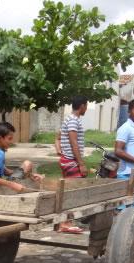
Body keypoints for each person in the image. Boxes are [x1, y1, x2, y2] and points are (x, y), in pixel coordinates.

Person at [0, 122, 43, 191]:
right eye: (9, 139)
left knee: (26, 166)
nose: (11, 142)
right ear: (0, 138)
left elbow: (5, 171)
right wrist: (12, 185)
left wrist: (30, 175)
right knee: (27, 164)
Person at [57, 95, 88, 232]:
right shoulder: (73, 121)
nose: (86, 109)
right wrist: (81, 163)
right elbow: (73, 142)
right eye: (86, 106)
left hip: (68, 159)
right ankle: (64, 223)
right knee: (72, 193)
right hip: (71, 161)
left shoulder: (69, 119)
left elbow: (58, 138)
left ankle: (64, 222)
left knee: (69, 191)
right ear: (82, 106)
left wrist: (60, 151)